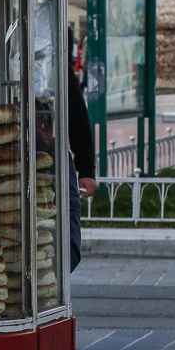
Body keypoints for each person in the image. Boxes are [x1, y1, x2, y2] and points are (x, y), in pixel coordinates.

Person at [68, 65, 97, 270]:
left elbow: (77, 114)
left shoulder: (53, 62)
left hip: (51, 161)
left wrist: (86, 170)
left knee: (69, 245)